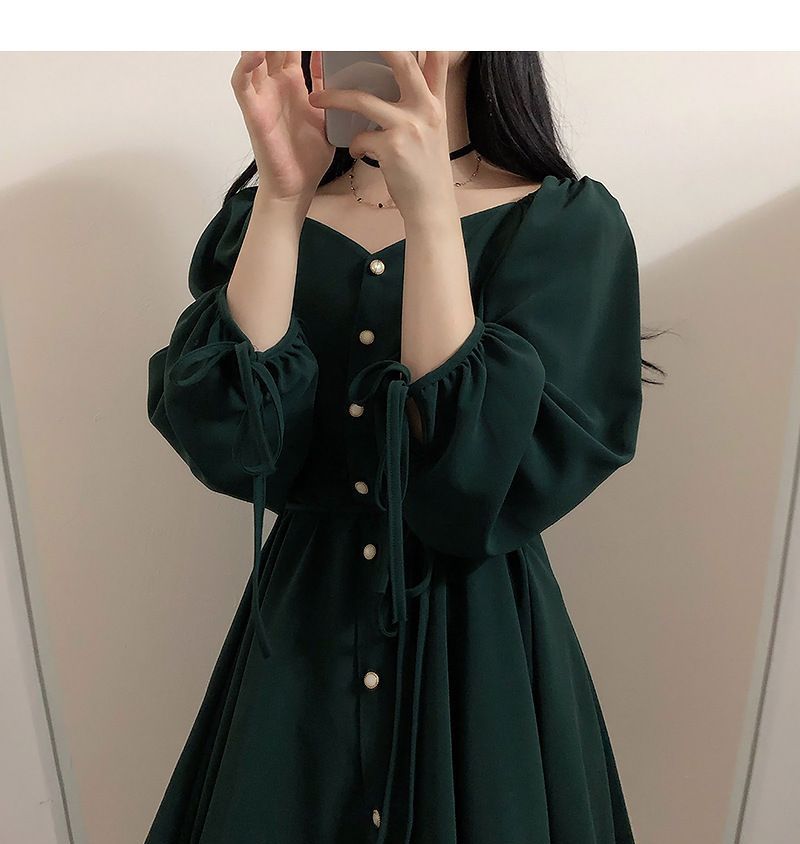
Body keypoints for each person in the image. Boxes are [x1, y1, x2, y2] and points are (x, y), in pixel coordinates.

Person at [145, 51, 646, 844]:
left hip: (478, 652)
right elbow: (236, 444)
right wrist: (282, 196)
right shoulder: (267, 212)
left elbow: (475, 481)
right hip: (299, 648)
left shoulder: (564, 226)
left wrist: (431, 214)